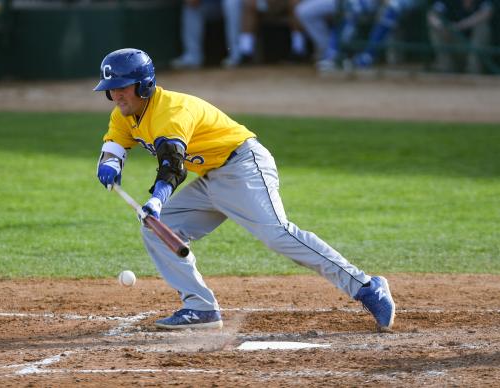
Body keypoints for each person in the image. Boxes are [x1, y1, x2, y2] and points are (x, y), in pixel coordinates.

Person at [94, 48, 396, 331]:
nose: (117, 94)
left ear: (144, 86)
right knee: (158, 229)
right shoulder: (123, 114)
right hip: (213, 177)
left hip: (244, 167)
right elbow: (115, 144)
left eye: (124, 86)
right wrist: (111, 164)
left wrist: (157, 200)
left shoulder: (171, 111)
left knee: (278, 234)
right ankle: (200, 308)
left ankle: (366, 287)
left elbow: (173, 166)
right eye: (112, 88)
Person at [171, 0, 243, 69]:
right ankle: (192, 56)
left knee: (232, 3)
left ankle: (236, 55)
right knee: (191, 5)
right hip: (209, 5)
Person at [427, 0, 494, 73]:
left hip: (475, 50)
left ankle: (473, 71)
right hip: (456, 45)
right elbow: (432, 15)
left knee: (482, 27)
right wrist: (442, 27)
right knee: (436, 30)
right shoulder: (447, 1)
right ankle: (446, 69)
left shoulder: (482, 1)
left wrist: (460, 26)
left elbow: (487, 13)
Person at [238, 0, 308, 63]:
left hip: (286, 3)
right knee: (249, 3)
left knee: (295, 2)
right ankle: (246, 52)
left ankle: (298, 50)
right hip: (264, 3)